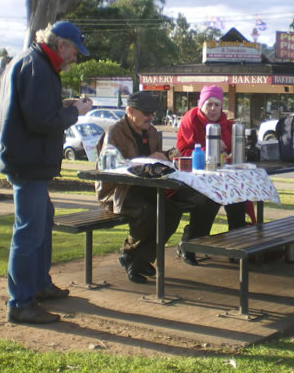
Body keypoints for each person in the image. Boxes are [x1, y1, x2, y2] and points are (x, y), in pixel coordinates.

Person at [0, 21, 93, 324]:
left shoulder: (28, 62)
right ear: (61, 45)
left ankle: (38, 286)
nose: (76, 57)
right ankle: (21, 302)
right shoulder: (38, 67)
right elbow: (41, 121)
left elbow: (32, 110)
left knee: (41, 221)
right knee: (29, 231)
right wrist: (75, 112)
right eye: (75, 50)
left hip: (25, 158)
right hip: (28, 162)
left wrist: (61, 104)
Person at [95, 91, 218, 281]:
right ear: (130, 111)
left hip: (147, 187)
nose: (150, 117)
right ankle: (132, 255)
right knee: (147, 212)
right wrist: (142, 161)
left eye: (152, 113)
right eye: (146, 113)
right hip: (119, 191)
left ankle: (137, 258)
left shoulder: (151, 132)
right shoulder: (114, 132)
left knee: (171, 211)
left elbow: (155, 161)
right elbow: (110, 166)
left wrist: (167, 155)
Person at [175, 85, 250, 263]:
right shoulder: (190, 120)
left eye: (217, 104)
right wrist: (210, 148)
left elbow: (232, 153)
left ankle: (236, 246)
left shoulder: (227, 124)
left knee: (237, 195)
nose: (213, 109)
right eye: (209, 104)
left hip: (219, 178)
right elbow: (183, 151)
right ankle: (189, 244)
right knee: (210, 198)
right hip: (191, 179)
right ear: (201, 105)